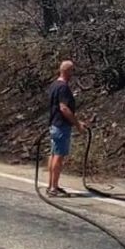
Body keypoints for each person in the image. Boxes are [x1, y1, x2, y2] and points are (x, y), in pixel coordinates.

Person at [46, 60, 86, 197]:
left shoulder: (54, 85)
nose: (73, 74)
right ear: (67, 71)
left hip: (54, 124)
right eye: (72, 71)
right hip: (61, 126)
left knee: (53, 154)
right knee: (58, 156)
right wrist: (77, 124)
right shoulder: (63, 88)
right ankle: (53, 188)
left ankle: (52, 185)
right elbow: (64, 108)